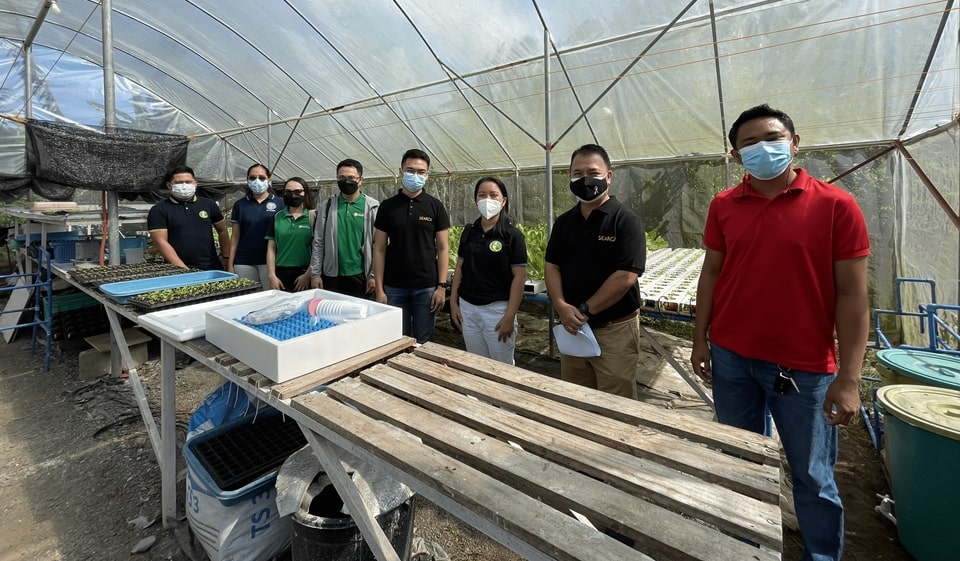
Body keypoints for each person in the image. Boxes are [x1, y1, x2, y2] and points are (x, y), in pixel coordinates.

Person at [689, 104, 869, 561]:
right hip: (731, 357)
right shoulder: (725, 205)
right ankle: (748, 547)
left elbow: (852, 296)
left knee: (812, 475)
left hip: (804, 368)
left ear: (795, 141)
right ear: (735, 155)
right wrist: (700, 339)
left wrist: (849, 379)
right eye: (748, 143)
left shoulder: (835, 205)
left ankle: (820, 555)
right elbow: (711, 273)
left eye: (771, 137)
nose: (761, 148)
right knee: (740, 460)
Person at [544, 143, 646, 399]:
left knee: (616, 403)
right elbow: (551, 265)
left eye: (593, 172)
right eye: (577, 174)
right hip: (573, 328)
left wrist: (584, 310)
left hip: (614, 330)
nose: (585, 180)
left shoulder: (625, 220)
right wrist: (560, 305)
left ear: (608, 176)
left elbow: (626, 276)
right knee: (577, 397)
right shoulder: (565, 222)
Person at [373, 149, 450, 343]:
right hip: (394, 287)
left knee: (424, 340)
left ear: (427, 174)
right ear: (401, 171)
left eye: (421, 171)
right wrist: (380, 289)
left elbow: (442, 248)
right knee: (396, 339)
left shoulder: (435, 206)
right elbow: (380, 248)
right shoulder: (388, 206)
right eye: (410, 170)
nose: (415, 175)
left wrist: (441, 286)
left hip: (426, 287)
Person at [449, 177, 528, 364]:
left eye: (494, 195)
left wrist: (510, 315)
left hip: (497, 311)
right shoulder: (469, 231)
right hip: (468, 308)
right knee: (477, 364)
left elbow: (519, 277)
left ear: (504, 201)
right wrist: (453, 302)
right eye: (482, 195)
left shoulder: (512, 236)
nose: (487, 200)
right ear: (476, 200)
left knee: (501, 367)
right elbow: (460, 268)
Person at [310, 159, 379, 297]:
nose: (346, 181)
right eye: (341, 178)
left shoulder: (372, 207)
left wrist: (373, 275)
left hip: (361, 276)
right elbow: (318, 242)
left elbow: (377, 245)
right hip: (332, 276)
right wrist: (315, 274)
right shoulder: (327, 206)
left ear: (360, 180)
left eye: (351, 178)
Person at [148, 165, 230, 271]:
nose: (184, 186)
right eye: (178, 183)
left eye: (188, 182)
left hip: (212, 267)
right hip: (177, 270)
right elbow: (160, 242)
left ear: (195, 183)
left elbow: (222, 230)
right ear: (169, 185)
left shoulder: (209, 205)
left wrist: (226, 257)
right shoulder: (159, 210)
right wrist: (183, 269)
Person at [227, 163, 283, 289]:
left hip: (270, 262)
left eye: (262, 178)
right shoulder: (240, 205)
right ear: (247, 180)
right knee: (246, 298)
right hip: (243, 261)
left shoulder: (280, 203)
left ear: (269, 180)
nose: (257, 181)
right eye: (252, 178)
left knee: (271, 297)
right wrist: (230, 264)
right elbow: (235, 237)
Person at [266, 177, 315, 292]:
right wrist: (271, 275)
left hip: (304, 273)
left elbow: (318, 250)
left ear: (305, 193)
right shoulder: (277, 217)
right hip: (281, 274)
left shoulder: (313, 217)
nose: (293, 195)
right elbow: (271, 248)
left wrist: (308, 275)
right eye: (288, 192)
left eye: (298, 192)